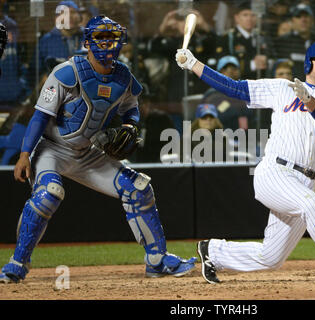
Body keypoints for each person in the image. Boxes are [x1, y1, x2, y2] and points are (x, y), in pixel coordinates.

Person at [0, 15, 196, 284]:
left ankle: (157, 260)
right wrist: (24, 155)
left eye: (111, 37)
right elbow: (39, 117)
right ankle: (17, 264)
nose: (106, 43)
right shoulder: (65, 72)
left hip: (88, 152)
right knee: (48, 194)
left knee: (138, 188)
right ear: (87, 42)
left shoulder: (124, 76)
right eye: (101, 37)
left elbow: (132, 109)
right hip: (53, 150)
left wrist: (130, 127)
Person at [175, 41, 315, 284]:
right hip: (275, 172)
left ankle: (213, 252)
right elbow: (234, 89)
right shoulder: (283, 88)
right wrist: (194, 64)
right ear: (309, 64)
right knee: (311, 205)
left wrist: (310, 101)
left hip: (306, 181)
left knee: (271, 257)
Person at [28, 1, 85, 88]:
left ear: (80, 16)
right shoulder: (46, 41)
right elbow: (34, 72)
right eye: (64, 13)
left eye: (72, 12)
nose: (69, 16)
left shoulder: (89, 37)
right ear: (57, 18)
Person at [215, 1, 269, 80]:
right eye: (245, 15)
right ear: (237, 18)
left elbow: (272, 57)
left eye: (253, 15)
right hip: (238, 83)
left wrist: (265, 61)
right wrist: (252, 64)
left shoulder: (262, 37)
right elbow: (223, 64)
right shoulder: (228, 38)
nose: (249, 19)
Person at [274, 3, 315, 81]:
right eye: (298, 16)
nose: (303, 20)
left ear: (312, 20)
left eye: (306, 16)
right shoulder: (281, 43)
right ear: (292, 21)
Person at [202, 55, 252, 131]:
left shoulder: (247, 91)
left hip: (246, 136)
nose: (230, 71)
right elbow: (205, 118)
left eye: (234, 68)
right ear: (218, 72)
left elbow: (252, 114)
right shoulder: (211, 94)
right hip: (218, 136)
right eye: (225, 69)